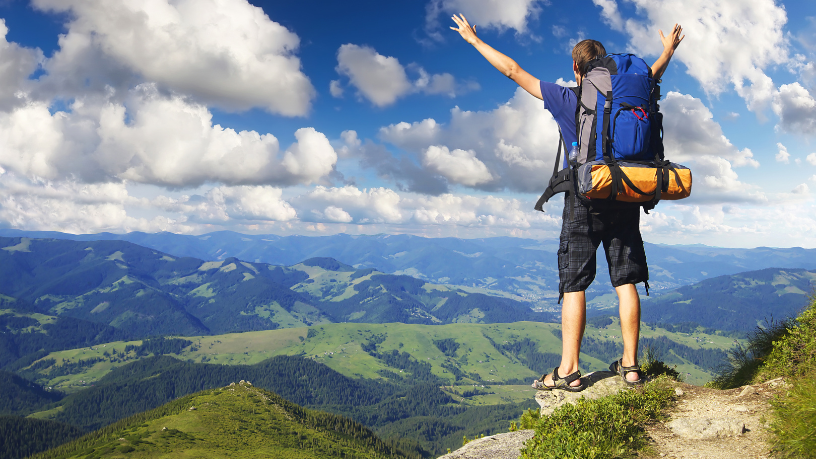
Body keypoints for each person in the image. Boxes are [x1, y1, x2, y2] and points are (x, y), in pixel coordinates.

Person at [450, 15, 684, 390]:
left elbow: (513, 71)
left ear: (576, 68)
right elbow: (652, 74)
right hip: (623, 190)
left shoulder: (567, 97)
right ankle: (631, 366)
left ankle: (569, 371)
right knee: (626, 281)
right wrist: (668, 50)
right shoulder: (630, 92)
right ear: (605, 67)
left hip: (583, 197)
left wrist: (474, 42)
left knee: (574, 284)